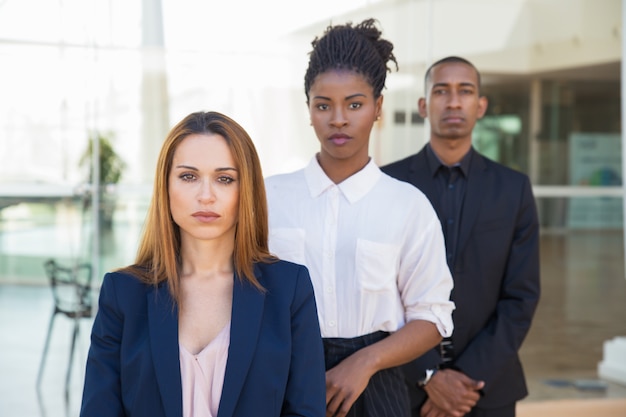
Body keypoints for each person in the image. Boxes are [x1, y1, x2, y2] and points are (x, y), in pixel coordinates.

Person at [265, 19, 455, 417]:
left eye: (354, 104)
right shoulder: (268, 198)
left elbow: (432, 315)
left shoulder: (408, 205)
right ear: (309, 110)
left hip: (377, 386)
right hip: (281, 378)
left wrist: (365, 362)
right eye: (323, 105)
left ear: (378, 107)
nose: (338, 119)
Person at [79, 111, 327, 417]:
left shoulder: (290, 289)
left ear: (245, 190)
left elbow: (305, 410)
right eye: (188, 176)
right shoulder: (122, 293)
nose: (206, 195)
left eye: (224, 179)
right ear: (165, 187)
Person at [382, 56, 541, 417]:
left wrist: (464, 379)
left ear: (480, 105)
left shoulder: (512, 189)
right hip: (402, 389)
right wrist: (427, 375)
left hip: (485, 389)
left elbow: (522, 296)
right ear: (423, 106)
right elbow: (379, 291)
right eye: (441, 91)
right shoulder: (387, 185)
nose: (453, 101)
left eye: (465, 91)